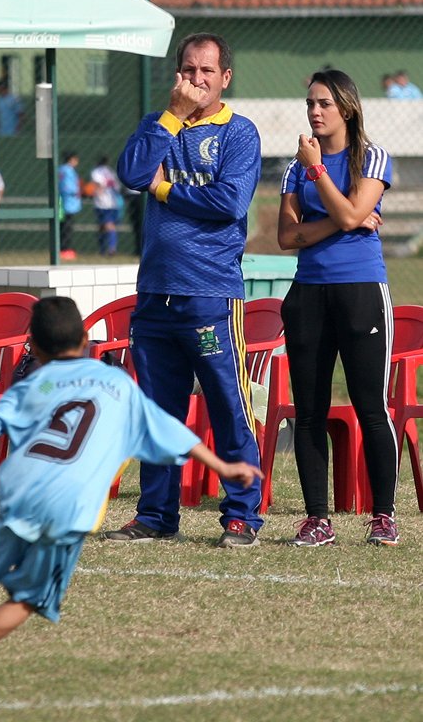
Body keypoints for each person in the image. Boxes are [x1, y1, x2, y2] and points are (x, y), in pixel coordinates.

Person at [0, 296, 262, 693]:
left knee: (10, 543)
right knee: (29, 600)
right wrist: (223, 468)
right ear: (86, 340)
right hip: (69, 507)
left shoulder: (33, 384)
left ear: (36, 349)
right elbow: (169, 430)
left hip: (20, 488)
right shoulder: (116, 383)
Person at [106, 32, 264, 548]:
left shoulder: (239, 133)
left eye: (207, 72)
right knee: (156, 412)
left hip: (210, 294)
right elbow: (130, 172)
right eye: (188, 71)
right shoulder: (159, 125)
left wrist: (164, 187)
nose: (197, 80)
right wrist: (170, 118)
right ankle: (155, 515)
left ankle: (241, 516)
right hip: (155, 294)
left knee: (227, 407)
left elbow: (229, 203)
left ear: (226, 79)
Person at [278, 68, 400, 547]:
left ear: (346, 107)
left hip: (361, 292)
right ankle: (316, 519)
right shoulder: (295, 166)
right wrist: (346, 217)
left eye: (324, 103)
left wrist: (323, 180)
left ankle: (384, 516)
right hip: (309, 293)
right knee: (309, 411)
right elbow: (290, 236)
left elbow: (351, 212)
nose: (314, 111)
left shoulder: (372, 157)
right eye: (310, 103)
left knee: (372, 406)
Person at [90, 155, 123, 256]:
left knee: (109, 226)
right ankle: (103, 250)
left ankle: (111, 248)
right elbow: (117, 186)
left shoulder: (96, 172)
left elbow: (98, 186)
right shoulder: (111, 172)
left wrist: (94, 192)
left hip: (102, 203)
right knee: (102, 227)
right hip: (113, 202)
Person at [58, 151, 82, 261]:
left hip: (69, 202)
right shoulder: (66, 170)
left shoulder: (65, 170)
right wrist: (77, 191)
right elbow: (67, 186)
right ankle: (64, 249)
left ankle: (64, 249)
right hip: (67, 202)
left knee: (66, 226)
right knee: (66, 227)